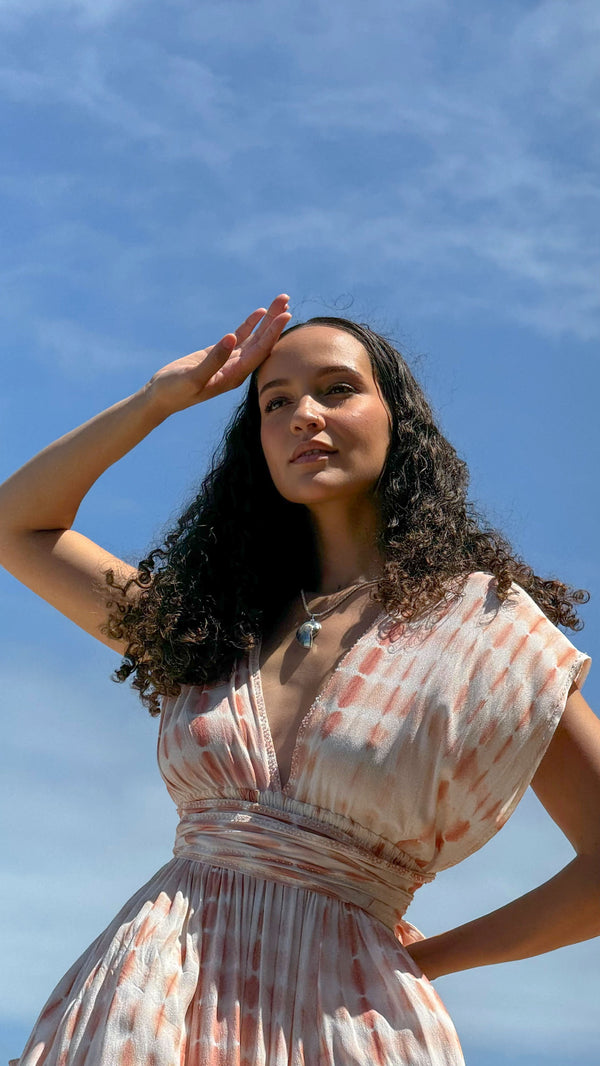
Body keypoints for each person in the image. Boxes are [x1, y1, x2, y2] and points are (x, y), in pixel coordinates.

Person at [1, 293, 599, 1066]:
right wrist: (160, 401)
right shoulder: (210, 626)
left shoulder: (485, 629)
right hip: (140, 1009)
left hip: (343, 1024)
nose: (302, 416)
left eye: (337, 390)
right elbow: (19, 525)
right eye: (275, 402)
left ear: (398, 419)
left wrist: (421, 963)